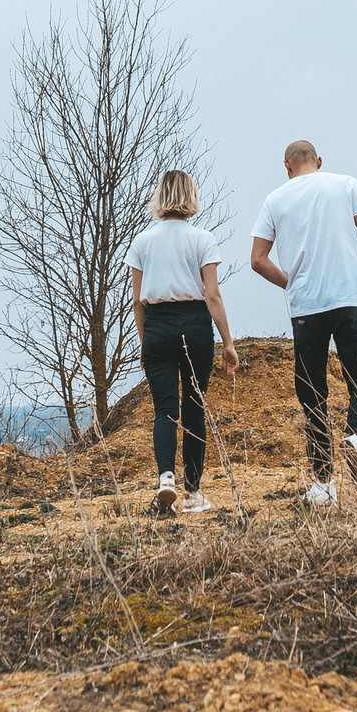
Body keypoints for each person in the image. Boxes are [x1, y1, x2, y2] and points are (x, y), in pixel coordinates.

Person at [248, 140, 357, 506]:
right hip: (350, 301)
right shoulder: (346, 184)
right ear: (319, 161)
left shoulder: (274, 200)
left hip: (306, 310)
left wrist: (292, 283)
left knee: (312, 395)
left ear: (286, 166)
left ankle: (323, 485)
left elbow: (257, 259)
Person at [126, 169, 240, 515]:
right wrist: (228, 342)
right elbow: (213, 296)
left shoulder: (142, 241)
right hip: (194, 325)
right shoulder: (202, 239)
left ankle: (165, 481)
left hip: (157, 325)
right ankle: (192, 494)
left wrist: (145, 341)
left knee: (164, 410)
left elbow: (135, 301)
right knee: (193, 410)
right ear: (191, 196)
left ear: (159, 197)